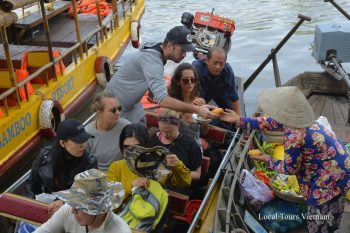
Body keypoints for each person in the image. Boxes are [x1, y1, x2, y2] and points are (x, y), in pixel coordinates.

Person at [220, 86, 350, 233]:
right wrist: (242, 120)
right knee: (333, 212)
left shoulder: (294, 135)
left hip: (326, 179)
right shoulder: (307, 122)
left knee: (319, 220)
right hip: (344, 169)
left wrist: (268, 159)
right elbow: (271, 122)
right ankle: (334, 228)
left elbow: (289, 169)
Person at [105, 25, 216, 123]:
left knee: (143, 129)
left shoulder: (158, 49)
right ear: (169, 46)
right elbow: (162, 100)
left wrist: (152, 91)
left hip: (133, 105)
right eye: (182, 50)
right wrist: (197, 109)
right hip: (115, 106)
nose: (184, 55)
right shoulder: (153, 61)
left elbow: (149, 80)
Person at [25, 119, 98, 215]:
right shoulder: (45, 155)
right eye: (78, 141)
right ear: (62, 143)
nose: (83, 146)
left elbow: (84, 190)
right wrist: (31, 204)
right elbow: (31, 183)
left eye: (84, 140)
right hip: (46, 205)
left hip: (75, 210)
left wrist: (62, 201)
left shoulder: (90, 162)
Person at [107, 123, 192, 200]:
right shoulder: (116, 167)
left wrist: (177, 165)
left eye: (136, 147)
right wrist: (131, 185)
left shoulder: (158, 164)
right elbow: (109, 197)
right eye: (126, 147)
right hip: (123, 214)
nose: (131, 152)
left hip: (152, 213)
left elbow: (185, 182)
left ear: (145, 146)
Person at [34, 169, 130, 233]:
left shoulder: (119, 230)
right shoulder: (67, 209)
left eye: (80, 206)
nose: (73, 211)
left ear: (99, 208)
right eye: (73, 202)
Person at [149, 108, 202, 195]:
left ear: (178, 125)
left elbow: (197, 174)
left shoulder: (190, 144)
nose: (166, 135)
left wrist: (175, 172)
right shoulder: (153, 138)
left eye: (169, 131)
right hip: (154, 187)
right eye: (162, 131)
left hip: (177, 190)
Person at [85, 92, 130, 171]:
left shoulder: (127, 127)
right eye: (113, 110)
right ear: (99, 112)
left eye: (119, 108)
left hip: (121, 171)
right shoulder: (87, 133)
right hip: (97, 175)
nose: (118, 112)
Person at [168, 62, 208, 149]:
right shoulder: (172, 103)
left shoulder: (200, 102)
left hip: (194, 147)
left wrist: (204, 115)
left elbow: (204, 131)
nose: (190, 83)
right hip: (175, 145)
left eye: (193, 79)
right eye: (186, 80)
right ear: (178, 82)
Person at [192, 47, 240, 115]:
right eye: (215, 63)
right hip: (202, 93)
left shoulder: (227, 71)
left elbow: (234, 98)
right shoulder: (196, 69)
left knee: (230, 111)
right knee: (198, 105)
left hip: (220, 91)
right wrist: (197, 99)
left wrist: (238, 120)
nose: (218, 67)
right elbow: (188, 92)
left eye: (221, 63)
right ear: (206, 60)